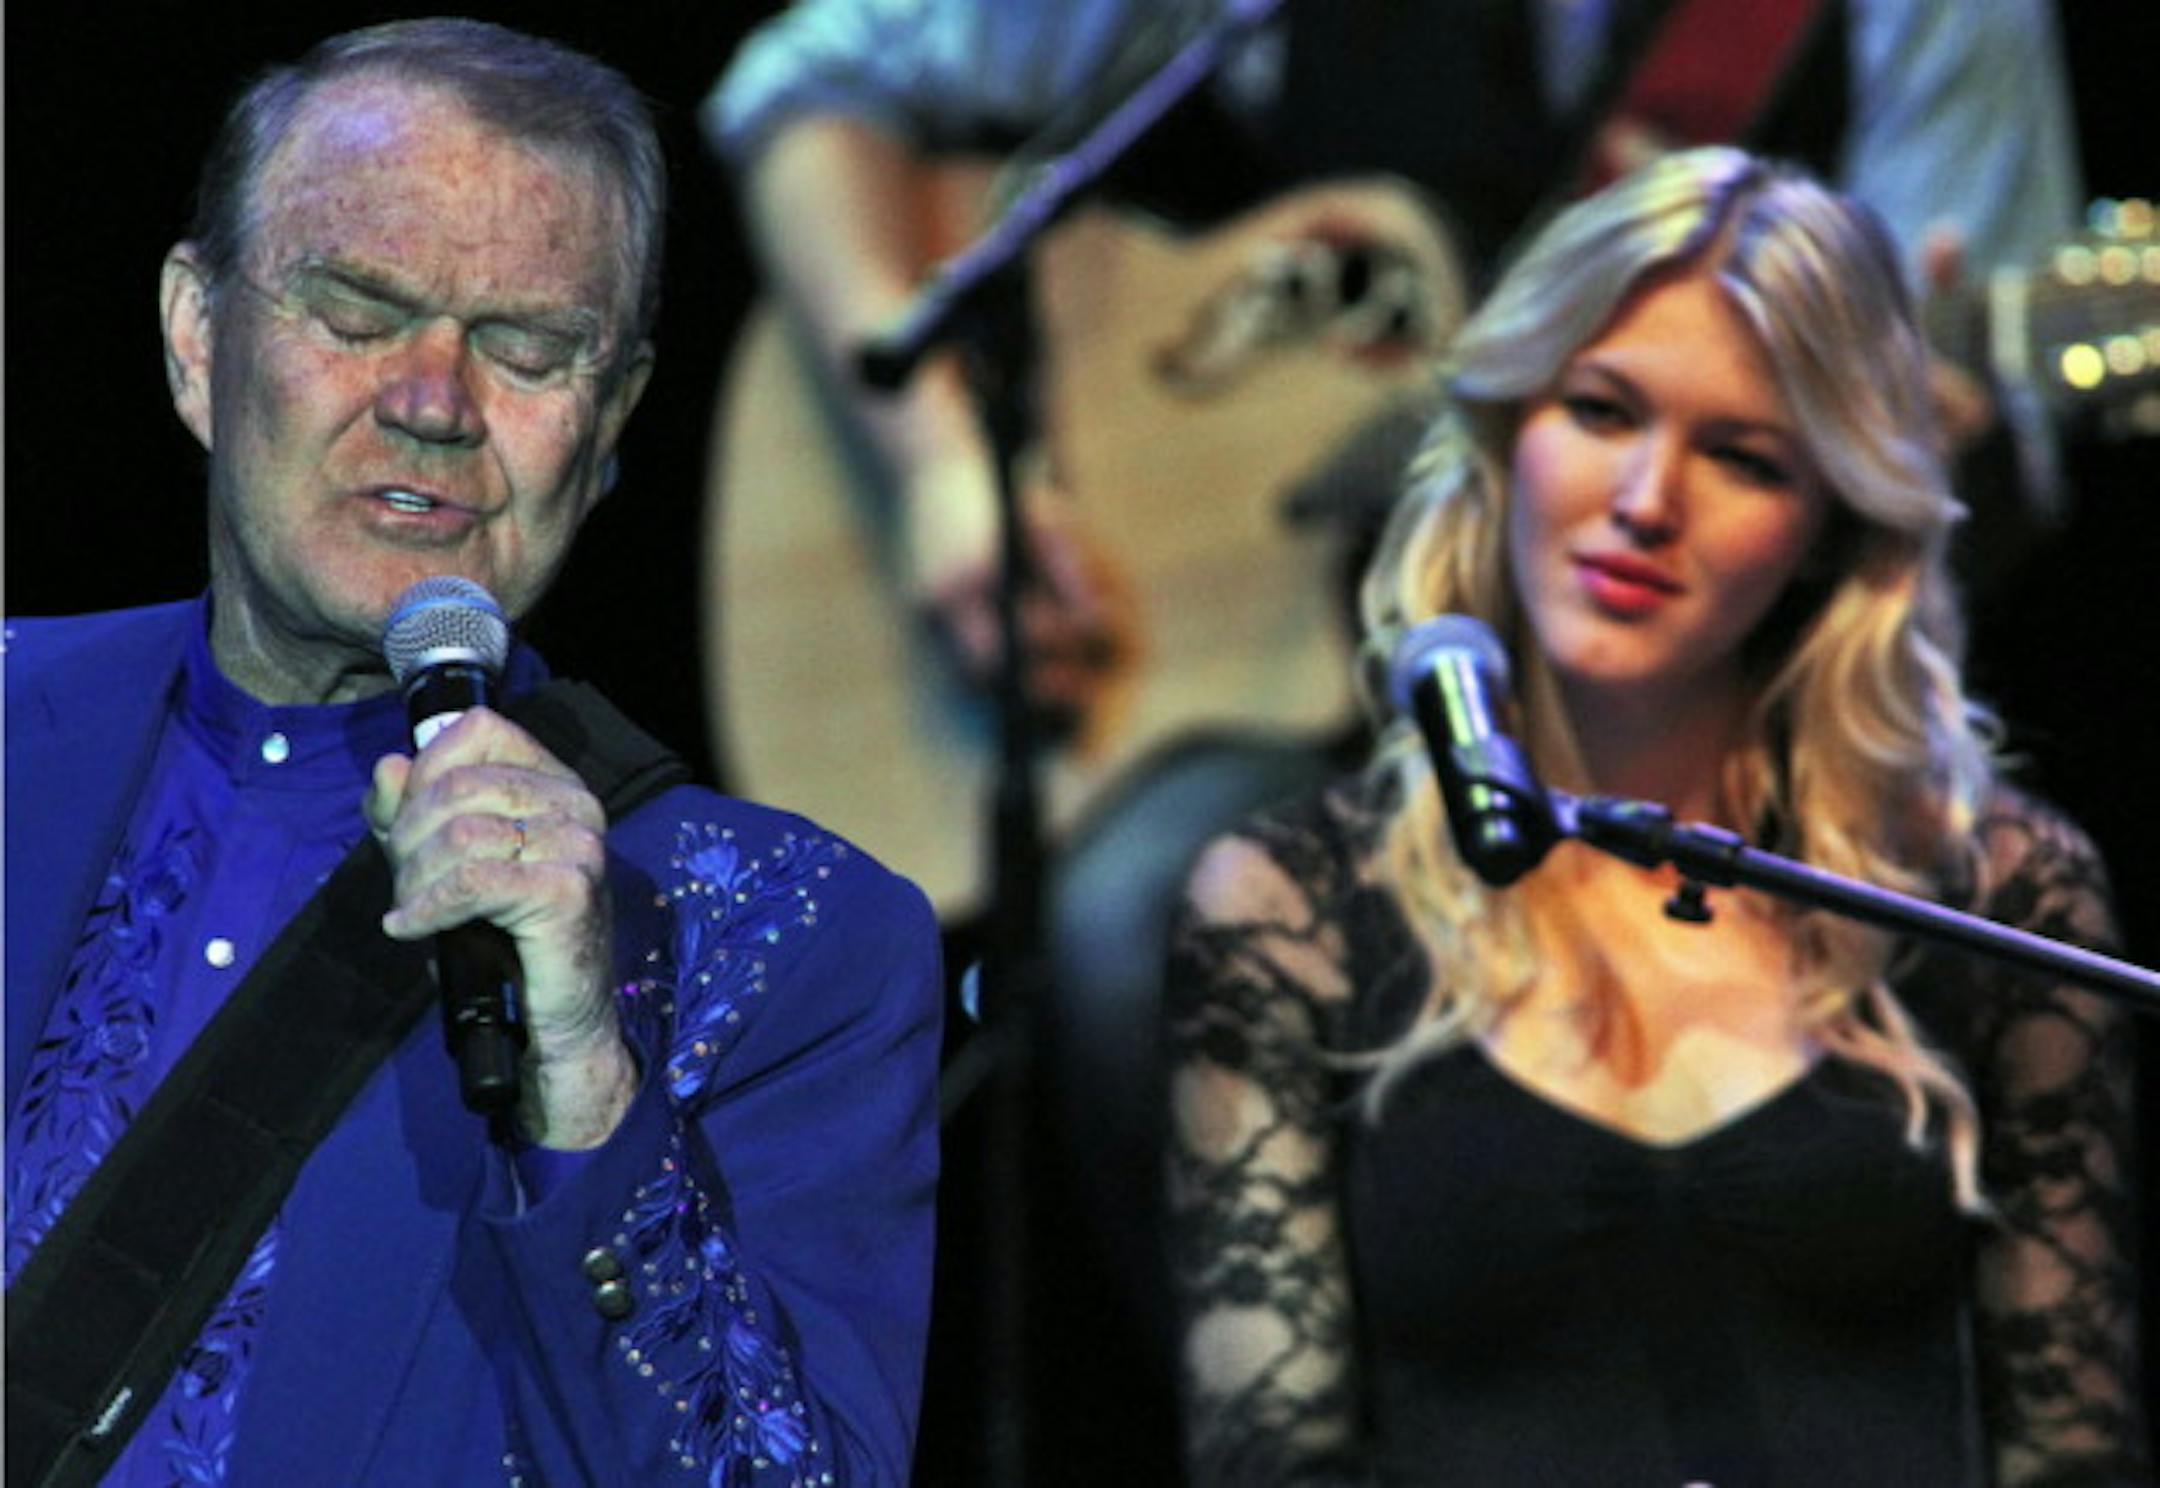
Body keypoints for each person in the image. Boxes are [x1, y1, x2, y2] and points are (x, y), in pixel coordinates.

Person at [3, 20, 940, 1486]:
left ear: (611, 423)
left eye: (524, 347)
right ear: (199, 338)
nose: (434, 402)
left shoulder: (789, 939)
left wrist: (587, 1083)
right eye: (360, 309)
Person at [1163, 145, 2143, 1485]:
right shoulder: (1286, 908)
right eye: (1605, 411)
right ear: (1513, 427)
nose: (1643, 505)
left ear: (1829, 524)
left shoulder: (1995, 893)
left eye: (1741, 457)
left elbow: (2074, 1458)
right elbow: (1274, 1458)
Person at [706, 0, 2084, 715]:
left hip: (1691, 717)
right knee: (1143, 934)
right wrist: (942, 473)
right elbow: (802, 92)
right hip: (1254, 688)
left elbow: (1975, 472)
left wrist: (1885, 468)